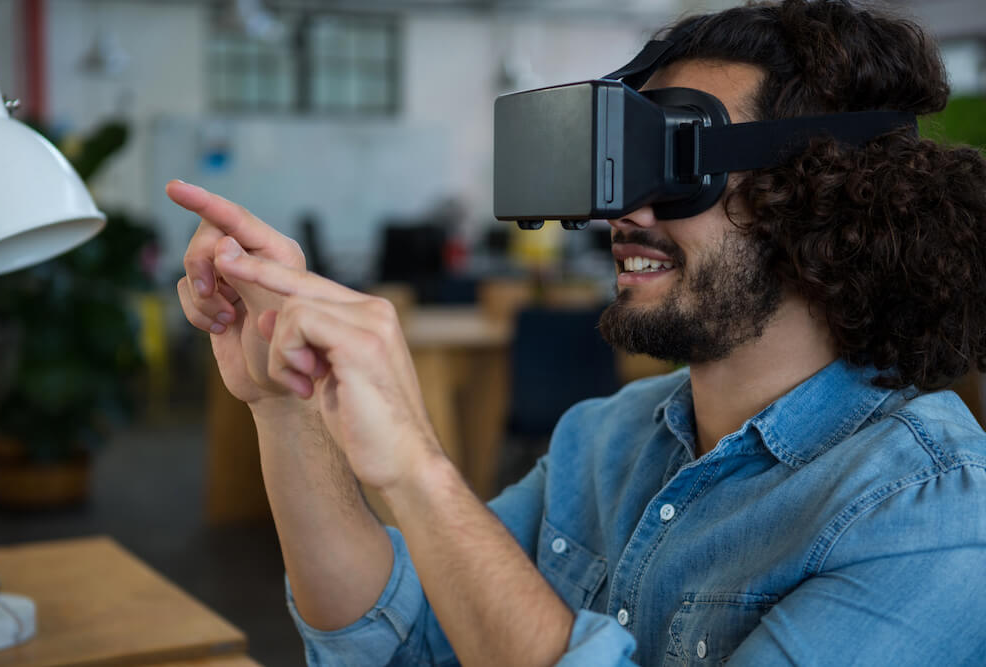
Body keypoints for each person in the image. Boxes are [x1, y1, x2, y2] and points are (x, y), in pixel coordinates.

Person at [167, 0, 986, 664]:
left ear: (827, 201)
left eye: (674, 162)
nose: (624, 214)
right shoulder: (604, 439)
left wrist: (419, 470)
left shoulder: (933, 513)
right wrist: (282, 403)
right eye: (621, 166)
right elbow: (404, 640)